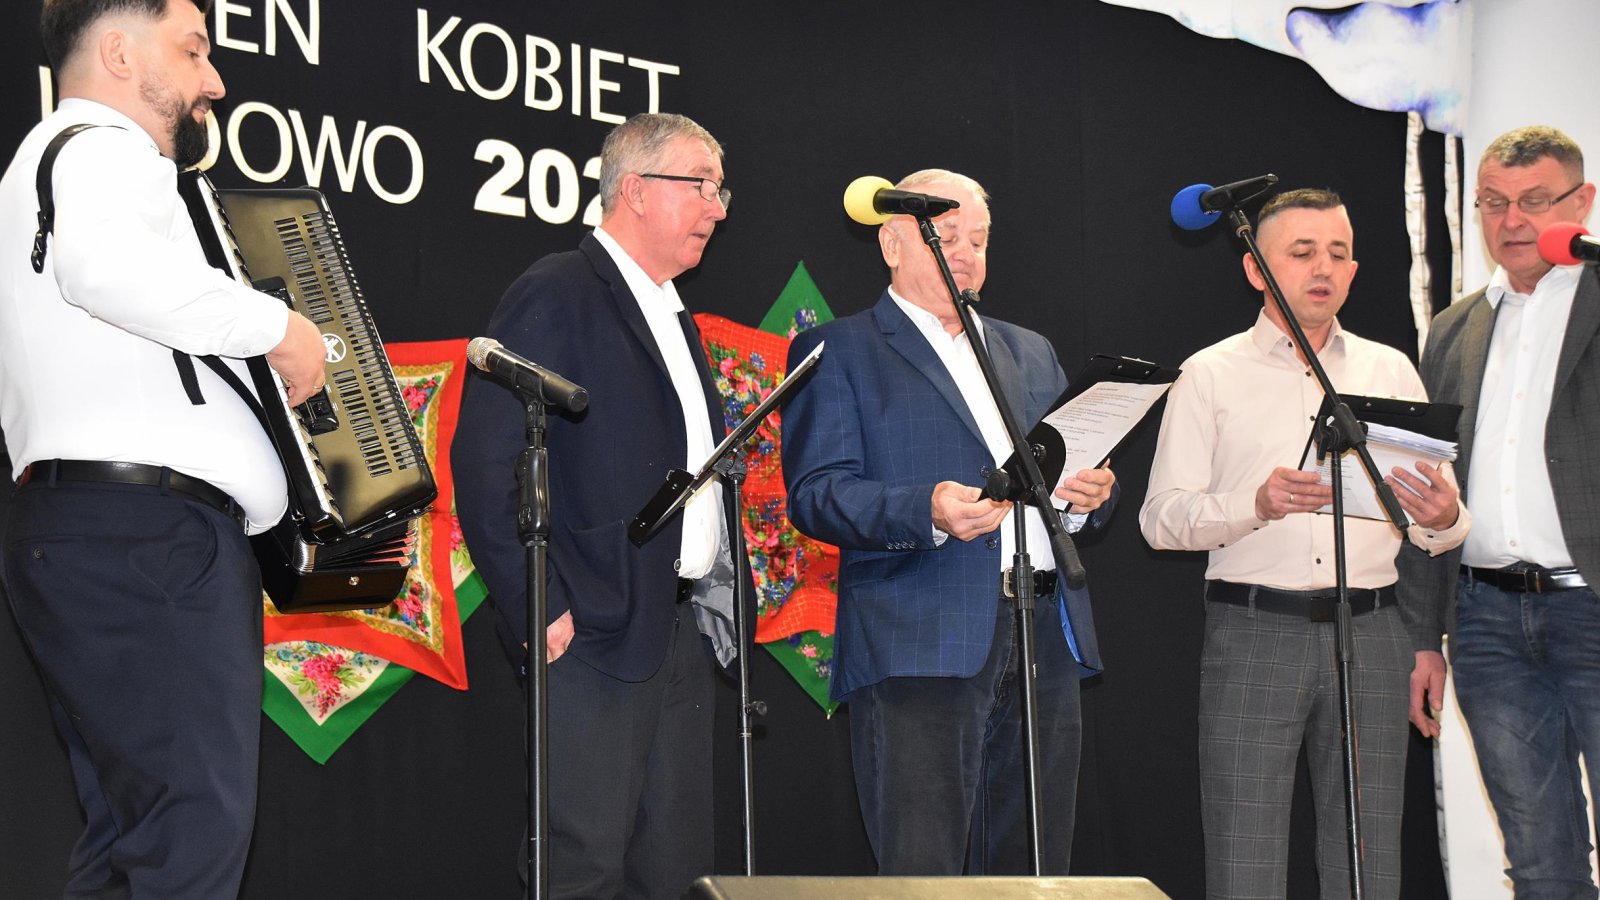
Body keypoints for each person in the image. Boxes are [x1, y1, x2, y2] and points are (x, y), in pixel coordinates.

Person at [0, 0, 326, 896]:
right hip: (147, 539)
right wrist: (278, 328)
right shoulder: (102, 150)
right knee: (189, 838)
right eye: (191, 51)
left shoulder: (54, 165)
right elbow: (104, 271)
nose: (213, 80)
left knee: (131, 846)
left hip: (100, 533)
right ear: (117, 52)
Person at [781, 169, 1117, 875]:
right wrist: (926, 510)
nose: (965, 253)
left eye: (979, 240)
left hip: (1043, 631)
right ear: (892, 245)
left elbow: (1072, 464)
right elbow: (816, 493)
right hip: (918, 638)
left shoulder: (1030, 350)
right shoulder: (841, 349)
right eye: (947, 236)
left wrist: (1089, 493)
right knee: (923, 872)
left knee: (1036, 872)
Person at [1138, 188, 1467, 899]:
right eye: (1302, 252)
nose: (1323, 267)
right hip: (1255, 629)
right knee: (1245, 860)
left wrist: (1445, 518)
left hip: (1372, 632)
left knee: (1368, 860)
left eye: (1338, 253)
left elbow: (1436, 525)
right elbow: (1160, 520)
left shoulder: (1389, 370)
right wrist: (1253, 505)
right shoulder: (1210, 372)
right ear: (1255, 269)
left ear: (1354, 271)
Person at [453, 112, 737, 900]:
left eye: (720, 191)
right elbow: (485, 460)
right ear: (636, 190)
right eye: (701, 186)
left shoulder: (670, 309)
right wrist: (536, 601)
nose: (716, 209)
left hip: (677, 630)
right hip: (591, 631)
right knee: (581, 865)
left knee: (677, 873)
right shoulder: (559, 289)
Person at [1398, 125, 1600, 898]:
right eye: (1492, 202)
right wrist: (1424, 636)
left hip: (1592, 603)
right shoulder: (1453, 328)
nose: (1511, 221)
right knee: (1540, 861)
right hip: (1486, 624)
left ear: (1581, 204)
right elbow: (1424, 490)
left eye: (1534, 201)